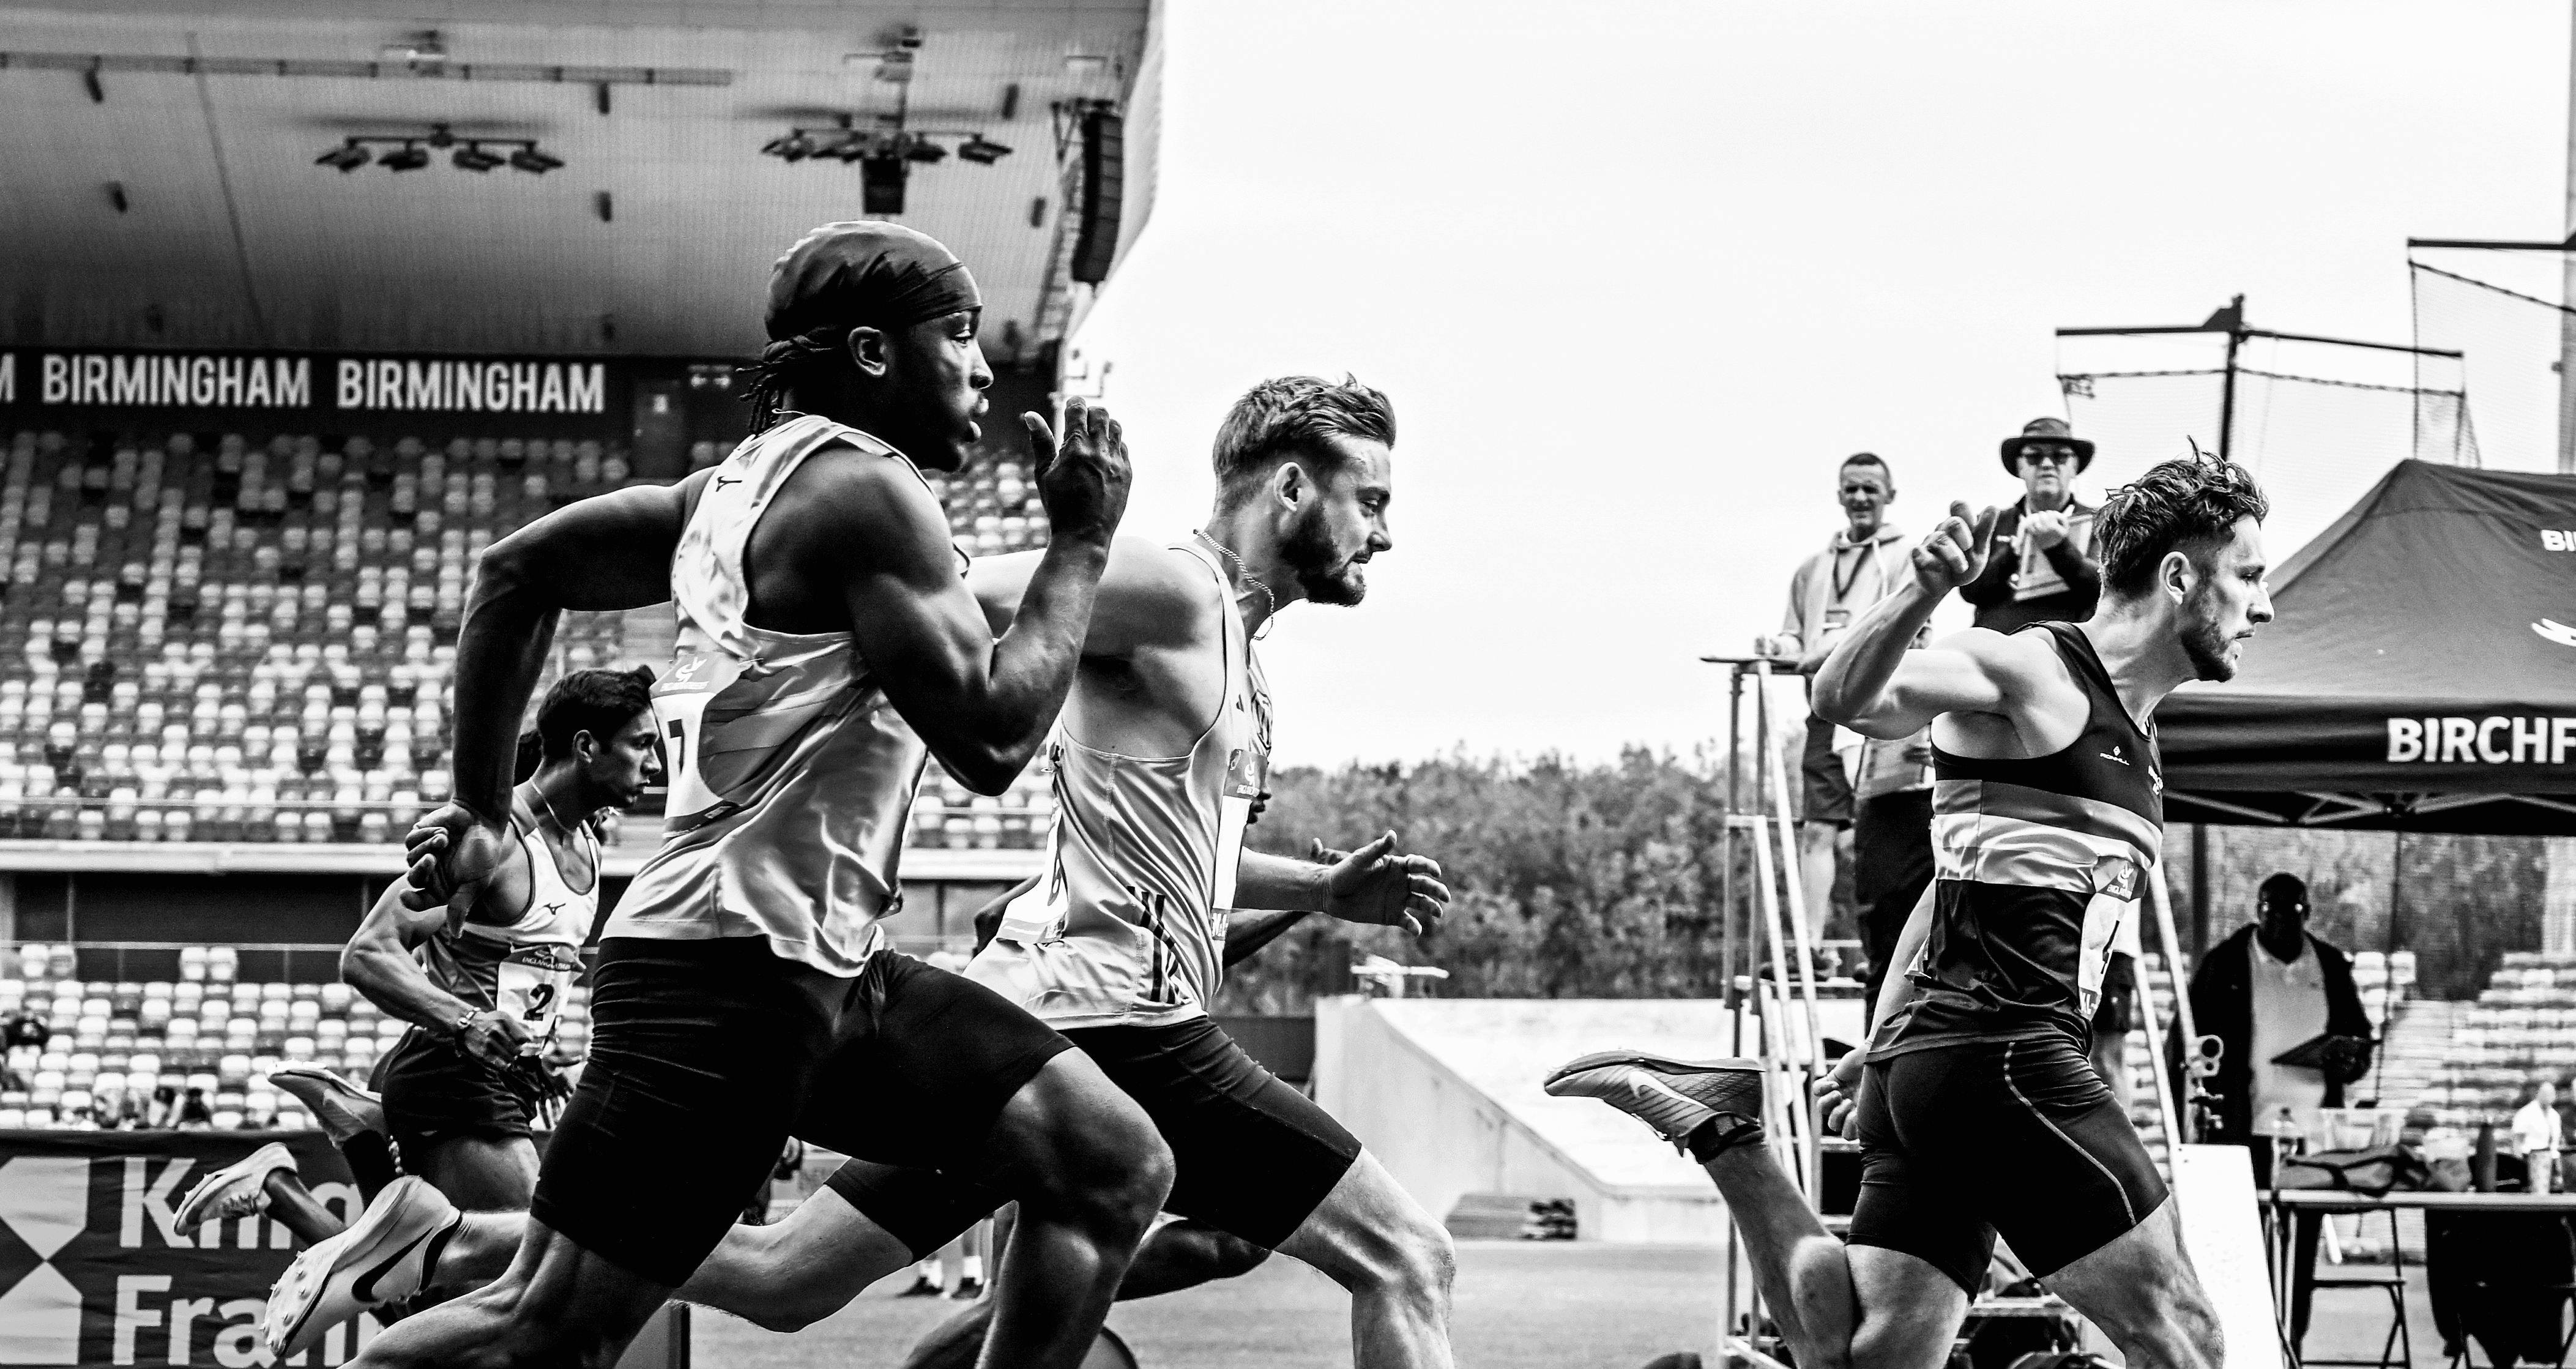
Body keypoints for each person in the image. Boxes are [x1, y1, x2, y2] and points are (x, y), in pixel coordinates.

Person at [366, 220, 1171, 1369]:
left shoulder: (726, 491)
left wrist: (482, 806)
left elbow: (517, 571)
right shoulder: (864, 494)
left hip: (815, 965)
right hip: (727, 978)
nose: (985, 367)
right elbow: (993, 738)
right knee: (545, 1332)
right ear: (874, 354)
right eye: (960, 334)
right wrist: (1082, 542)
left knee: (1108, 1162)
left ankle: (446, 1246)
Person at [1552, 453, 2277, 1369]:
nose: (2263, 606)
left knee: (1865, 1355)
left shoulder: (2132, 729)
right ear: (2180, 577)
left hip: (1934, 1064)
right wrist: (1917, 587)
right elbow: (1842, 698)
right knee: (2188, 1340)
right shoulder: (2031, 666)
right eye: (2249, 575)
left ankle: (1728, 1134)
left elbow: (1948, 888)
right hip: (2008, 1059)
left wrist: (1875, 1047)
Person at [169, 668, 661, 1353]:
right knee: (542, 1277)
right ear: (586, 746)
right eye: (640, 744)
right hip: (453, 1075)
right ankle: (338, 1155)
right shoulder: (488, 842)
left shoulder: (584, 842)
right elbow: (367, 955)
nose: (655, 762)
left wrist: (530, 1048)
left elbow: (521, 973)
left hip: (497, 1077)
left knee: (431, 1302)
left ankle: (288, 1181)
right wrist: (469, 1022)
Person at [1759, 453, 1912, 958]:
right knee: (1818, 829)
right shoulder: (1813, 567)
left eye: (1871, 488)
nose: (1861, 498)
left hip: (1884, 715)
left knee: (1877, 836)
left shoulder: (1906, 556)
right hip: (1827, 714)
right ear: (1839, 495)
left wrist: (1825, 649)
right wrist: (1779, 648)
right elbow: (1794, 633)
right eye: (1852, 489)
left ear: (1890, 495)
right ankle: (1809, 946)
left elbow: (1890, 622)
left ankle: (1892, 948)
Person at [2170, 872, 2372, 1174]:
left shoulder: (2331, 966)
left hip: (2315, 1132)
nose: (2280, 918)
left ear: (2308, 914)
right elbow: (2183, 1044)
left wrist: (2351, 1065)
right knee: (2246, 1218)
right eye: (2270, 909)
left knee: (2307, 1218)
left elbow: (2360, 1039)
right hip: (2241, 1129)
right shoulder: (2224, 964)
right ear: (2257, 911)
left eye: (2292, 910)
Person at [1960, 417, 2101, 634]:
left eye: (2060, 456)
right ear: (2020, 466)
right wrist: (2012, 553)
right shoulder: (1992, 524)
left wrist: (2059, 548)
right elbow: (1970, 591)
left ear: (2075, 466)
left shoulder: (2101, 525)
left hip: (2066, 655)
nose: (2047, 464)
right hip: (1993, 651)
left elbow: (2106, 589)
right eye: (2035, 456)